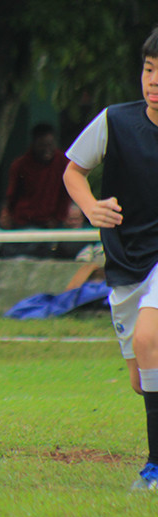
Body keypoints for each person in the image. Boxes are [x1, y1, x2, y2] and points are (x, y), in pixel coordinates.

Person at [63, 25, 158, 491]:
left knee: (149, 338)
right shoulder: (114, 121)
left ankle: (155, 467)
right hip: (127, 261)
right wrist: (90, 206)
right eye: (149, 69)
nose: (154, 80)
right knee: (143, 379)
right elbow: (73, 172)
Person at [0, 123, 70, 230]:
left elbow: (66, 195)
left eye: (50, 145)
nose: (47, 149)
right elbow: (12, 194)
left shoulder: (63, 163)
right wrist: (7, 214)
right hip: (24, 220)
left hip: (52, 221)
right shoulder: (20, 165)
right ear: (34, 144)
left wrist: (58, 218)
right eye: (42, 145)